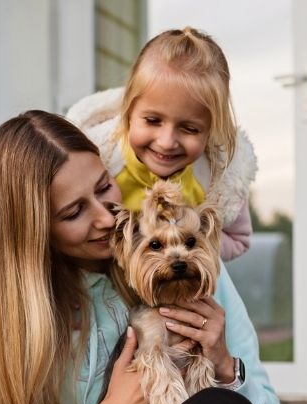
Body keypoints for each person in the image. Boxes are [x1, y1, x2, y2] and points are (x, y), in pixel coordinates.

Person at [0, 110, 282, 404]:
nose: (106, 217)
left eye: (105, 187)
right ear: (35, 231)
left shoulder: (196, 274)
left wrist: (224, 367)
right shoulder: (28, 319)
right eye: (74, 211)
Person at [67, 27, 257, 262]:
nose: (166, 143)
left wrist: (191, 244)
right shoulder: (101, 163)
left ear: (211, 131)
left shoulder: (217, 177)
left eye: (189, 129)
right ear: (128, 111)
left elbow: (238, 239)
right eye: (153, 120)